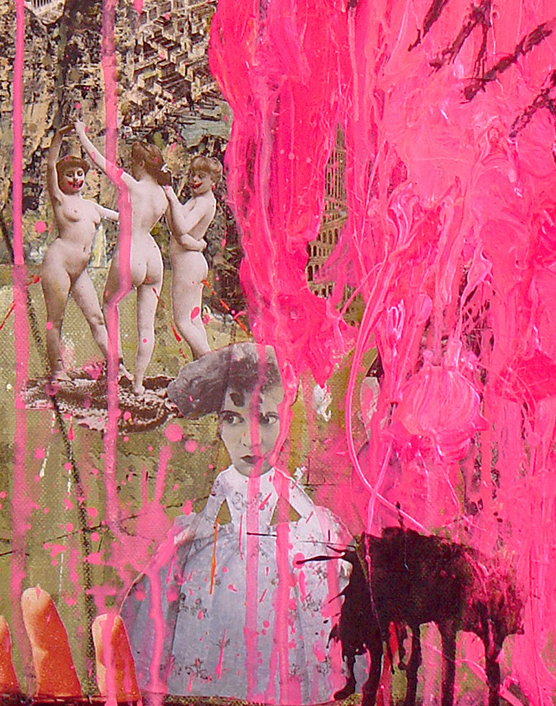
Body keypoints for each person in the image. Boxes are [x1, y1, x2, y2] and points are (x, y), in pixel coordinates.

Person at [122, 343, 352, 704]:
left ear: (285, 420)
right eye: (233, 418)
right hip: (228, 564)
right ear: (218, 425)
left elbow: (306, 513)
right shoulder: (226, 480)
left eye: (266, 419)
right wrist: (193, 535)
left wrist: (322, 534)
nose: (250, 438)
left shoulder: (281, 482)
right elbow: (211, 517)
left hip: (276, 566)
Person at [74, 122, 175, 395]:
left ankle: (117, 367)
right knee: (146, 326)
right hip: (153, 257)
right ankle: (139, 383)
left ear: (141, 163)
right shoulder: (163, 195)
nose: (131, 166)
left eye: (133, 162)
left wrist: (82, 133)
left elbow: (98, 159)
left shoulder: (132, 185)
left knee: (109, 305)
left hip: (131, 252)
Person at [40, 129, 118, 382]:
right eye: (69, 174)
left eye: (79, 174)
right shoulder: (60, 199)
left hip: (80, 270)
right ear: (61, 178)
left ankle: (116, 367)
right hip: (58, 263)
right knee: (56, 319)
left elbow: (123, 217)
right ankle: (57, 370)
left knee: (96, 318)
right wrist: (59, 136)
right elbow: (50, 165)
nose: (75, 179)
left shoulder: (91, 206)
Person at [164, 156, 222, 360]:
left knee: (182, 321)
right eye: (192, 175)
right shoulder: (200, 200)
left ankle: (210, 362)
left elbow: (182, 228)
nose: (195, 180)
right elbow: (177, 221)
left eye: (201, 176)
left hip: (188, 264)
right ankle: (202, 365)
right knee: (194, 319)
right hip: (194, 262)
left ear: (213, 180)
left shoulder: (203, 203)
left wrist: (172, 199)